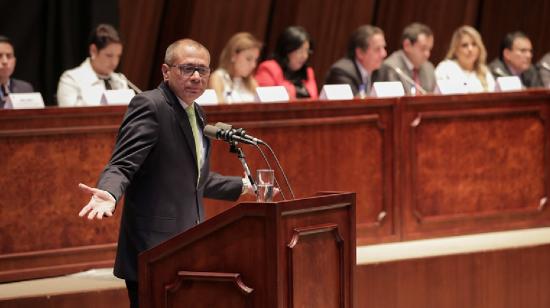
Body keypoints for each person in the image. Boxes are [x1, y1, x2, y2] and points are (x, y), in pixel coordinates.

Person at [78, 39, 253, 308]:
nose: (196, 77)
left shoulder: (198, 113)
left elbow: (194, 180)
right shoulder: (150, 106)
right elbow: (122, 164)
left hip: (188, 246)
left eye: (203, 70)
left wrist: (244, 185)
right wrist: (110, 192)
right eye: (187, 69)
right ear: (165, 71)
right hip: (154, 250)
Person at [57, 24, 129, 107]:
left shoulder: (120, 80)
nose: (114, 62)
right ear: (93, 51)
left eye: (118, 56)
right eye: (109, 55)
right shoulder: (71, 79)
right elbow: (70, 117)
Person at [255, 26, 318, 100]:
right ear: (286, 50)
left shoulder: (308, 72)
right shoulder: (269, 68)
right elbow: (267, 103)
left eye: (307, 51)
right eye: (300, 51)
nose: (304, 56)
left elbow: (315, 100)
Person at [324, 25, 387, 97]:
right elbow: (356, 104)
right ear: (360, 53)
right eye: (377, 49)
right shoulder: (342, 73)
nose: (384, 54)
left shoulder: (382, 71)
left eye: (384, 48)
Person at [376, 23, 436, 95]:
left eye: (429, 49)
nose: (427, 54)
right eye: (423, 48)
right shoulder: (391, 67)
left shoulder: (428, 68)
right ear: (407, 45)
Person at [435, 25, 495, 93]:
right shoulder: (445, 68)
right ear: (455, 50)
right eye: (464, 45)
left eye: (474, 44)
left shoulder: (484, 72)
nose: (470, 49)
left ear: (479, 48)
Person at [208, 32, 262, 103]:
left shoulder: (252, 82)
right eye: (248, 59)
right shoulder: (218, 78)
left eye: (255, 60)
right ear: (233, 55)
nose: (253, 65)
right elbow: (219, 110)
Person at [0, 35, 34, 108]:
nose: (5, 61)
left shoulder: (25, 89)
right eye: (0, 56)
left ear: (14, 62)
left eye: (9, 56)